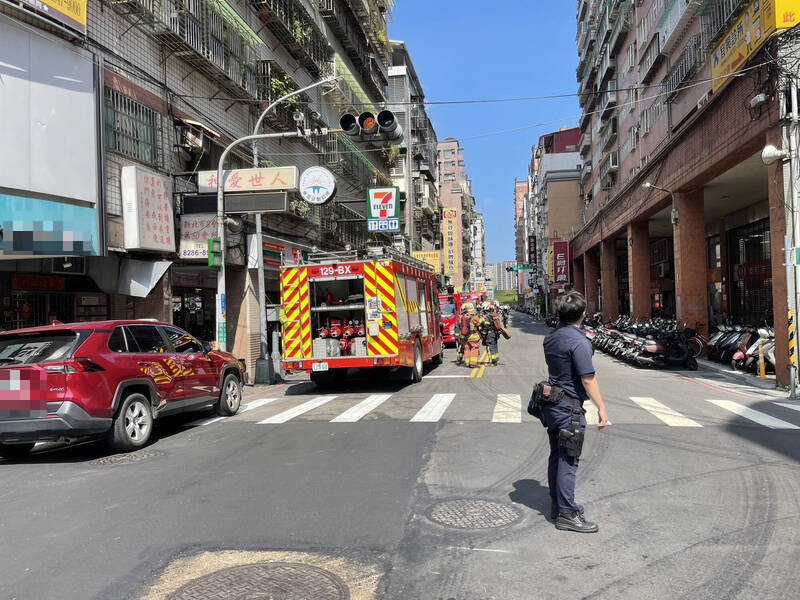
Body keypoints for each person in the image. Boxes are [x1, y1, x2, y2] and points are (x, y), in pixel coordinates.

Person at [542, 290, 608, 533]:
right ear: (583, 314)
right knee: (568, 459)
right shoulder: (579, 341)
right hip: (569, 407)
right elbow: (588, 379)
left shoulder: (551, 337)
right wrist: (601, 407)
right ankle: (567, 514)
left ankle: (557, 505)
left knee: (557, 455)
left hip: (552, 404)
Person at [478, 301, 501, 365]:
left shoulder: (487, 316)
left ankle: (492, 361)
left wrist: (483, 333)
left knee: (490, 347)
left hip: (489, 335)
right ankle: (495, 359)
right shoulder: (493, 314)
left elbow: (486, 326)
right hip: (495, 334)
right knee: (494, 346)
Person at [461, 303, 482, 368]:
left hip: (465, 336)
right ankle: (473, 363)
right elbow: (480, 323)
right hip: (473, 336)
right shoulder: (474, 317)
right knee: (474, 348)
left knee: (466, 349)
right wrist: (482, 318)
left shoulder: (462, 317)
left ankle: (467, 363)